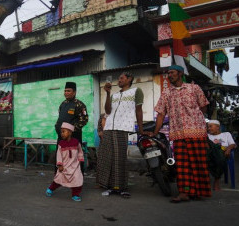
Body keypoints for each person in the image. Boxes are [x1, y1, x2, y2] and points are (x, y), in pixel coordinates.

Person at [151, 65, 211, 203]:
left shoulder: (193, 88)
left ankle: (198, 191)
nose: (169, 75)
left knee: (198, 163)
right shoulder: (167, 93)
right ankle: (184, 192)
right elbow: (160, 114)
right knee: (182, 165)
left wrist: (196, 119)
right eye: (168, 74)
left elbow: (203, 106)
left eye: (172, 73)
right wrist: (155, 132)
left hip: (196, 131)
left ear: (180, 73)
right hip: (178, 133)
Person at [96, 71, 143, 198]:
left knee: (119, 158)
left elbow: (139, 110)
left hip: (122, 128)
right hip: (109, 128)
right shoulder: (115, 95)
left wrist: (141, 128)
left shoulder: (136, 91)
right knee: (106, 157)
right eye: (119, 78)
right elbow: (107, 110)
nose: (119, 80)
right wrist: (107, 93)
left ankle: (121, 188)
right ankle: (110, 187)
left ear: (129, 78)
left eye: (122, 78)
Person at [45, 122, 84, 202]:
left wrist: (80, 160)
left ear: (70, 132)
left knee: (77, 180)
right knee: (58, 180)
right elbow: (58, 155)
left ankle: (75, 195)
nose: (61, 134)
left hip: (75, 166)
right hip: (64, 166)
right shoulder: (61, 144)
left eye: (64, 131)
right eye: (61, 132)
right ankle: (50, 189)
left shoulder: (76, 142)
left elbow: (80, 152)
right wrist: (59, 165)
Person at [207, 120, 236, 190]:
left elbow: (233, 144)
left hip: (223, 153)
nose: (209, 128)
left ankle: (217, 180)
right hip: (211, 154)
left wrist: (228, 149)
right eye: (208, 127)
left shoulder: (226, 134)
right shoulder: (207, 136)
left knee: (219, 155)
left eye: (211, 126)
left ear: (217, 127)